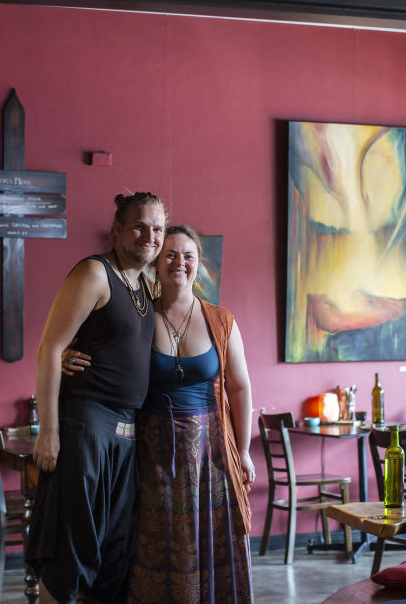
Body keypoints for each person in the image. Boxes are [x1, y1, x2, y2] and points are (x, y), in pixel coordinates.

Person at [25, 191, 167, 604]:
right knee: (71, 551)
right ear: (117, 229)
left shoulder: (143, 286)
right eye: (139, 225)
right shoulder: (95, 273)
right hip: (87, 424)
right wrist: (48, 433)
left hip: (126, 435)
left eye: (157, 229)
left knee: (114, 555)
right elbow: (50, 349)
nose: (149, 236)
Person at [126, 224, 255, 603]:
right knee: (155, 539)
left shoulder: (221, 320)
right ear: (155, 262)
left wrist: (243, 450)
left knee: (212, 537)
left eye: (188, 256)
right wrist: (69, 356)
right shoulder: (137, 316)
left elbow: (240, 387)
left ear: (198, 265)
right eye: (170, 254)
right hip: (150, 454)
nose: (178, 263)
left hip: (211, 454)